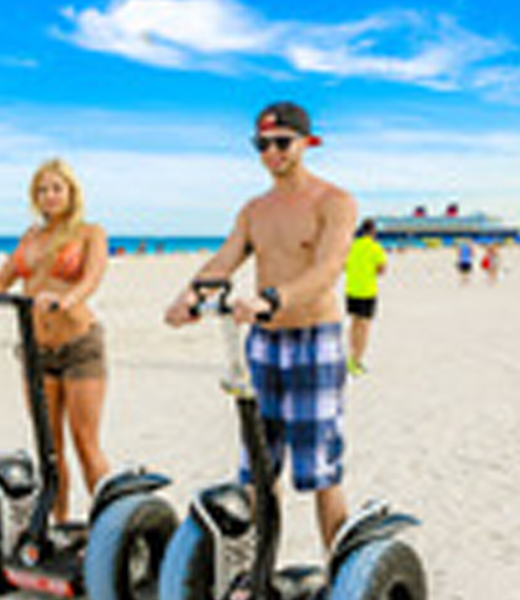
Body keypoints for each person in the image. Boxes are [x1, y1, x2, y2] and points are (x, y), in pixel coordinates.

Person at [165, 101, 356, 550]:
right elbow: (225, 260)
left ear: (306, 143)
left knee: (320, 472)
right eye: (262, 144)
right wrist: (191, 295)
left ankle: (342, 576)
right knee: (258, 470)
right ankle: (258, 571)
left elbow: (328, 270)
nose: (272, 152)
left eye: (282, 143)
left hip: (314, 340)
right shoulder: (254, 210)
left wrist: (274, 298)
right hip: (264, 344)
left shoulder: (335, 202)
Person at [0, 158, 110, 523]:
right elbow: (5, 278)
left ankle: (111, 526)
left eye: (56, 188)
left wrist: (68, 299)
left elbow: (92, 278)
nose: (49, 196)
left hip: (80, 346)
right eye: (42, 190)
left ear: (71, 193)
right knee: (50, 448)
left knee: (85, 443)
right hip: (37, 351)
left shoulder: (90, 233)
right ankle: (60, 522)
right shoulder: (30, 237)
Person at [345, 218, 387, 376]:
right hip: (367, 292)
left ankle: (351, 356)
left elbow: (344, 266)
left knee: (354, 324)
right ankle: (356, 361)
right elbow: (381, 270)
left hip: (351, 291)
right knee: (364, 327)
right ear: (372, 232)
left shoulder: (350, 246)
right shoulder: (375, 247)